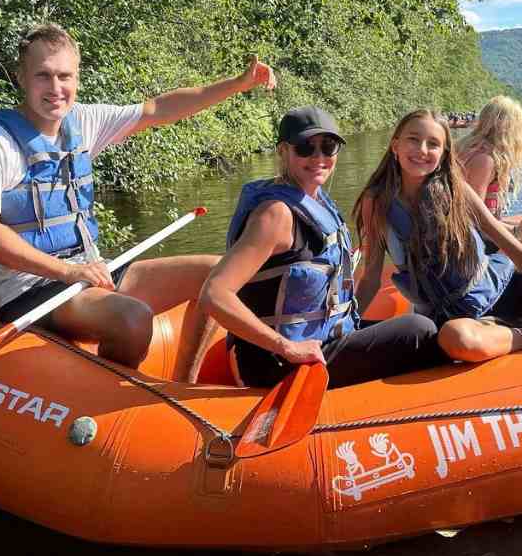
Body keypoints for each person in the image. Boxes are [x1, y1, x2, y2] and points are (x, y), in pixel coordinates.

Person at [0, 22, 275, 375]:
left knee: (220, 274)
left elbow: (159, 109)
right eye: (43, 76)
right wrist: (68, 270)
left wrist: (239, 84)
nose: (56, 88)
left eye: (65, 76)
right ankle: (105, 400)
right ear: (21, 76)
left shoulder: (82, 121)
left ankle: (183, 383)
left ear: (77, 77)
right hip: (34, 288)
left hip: (91, 272)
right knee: (133, 317)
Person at [199, 106, 443, 389]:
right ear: (283, 151)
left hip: (324, 342)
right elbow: (213, 294)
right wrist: (287, 347)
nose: (319, 158)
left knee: (419, 326)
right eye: (305, 148)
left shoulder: (317, 201)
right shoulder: (275, 215)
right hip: (277, 363)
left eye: (328, 147)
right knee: (418, 330)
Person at [353, 109, 522, 364]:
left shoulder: (455, 189)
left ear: (443, 155)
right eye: (413, 139)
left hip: (499, 293)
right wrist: (346, 328)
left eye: (433, 144)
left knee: (458, 336)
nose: (422, 149)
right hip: (452, 322)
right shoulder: (376, 201)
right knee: (457, 338)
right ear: (395, 145)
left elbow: (499, 236)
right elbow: (371, 278)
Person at [457, 95, 522, 227]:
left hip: (484, 228)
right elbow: (473, 217)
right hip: (475, 237)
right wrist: (513, 231)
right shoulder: (485, 159)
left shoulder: (467, 146)